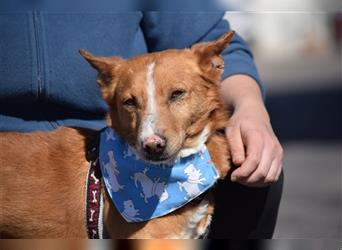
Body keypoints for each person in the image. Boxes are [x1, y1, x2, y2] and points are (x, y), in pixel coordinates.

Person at [0, 2, 283, 239]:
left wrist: (251, 107)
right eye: (131, 101)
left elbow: (218, 41)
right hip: (52, 149)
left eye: (176, 95)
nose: (153, 137)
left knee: (260, 170)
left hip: (102, 134)